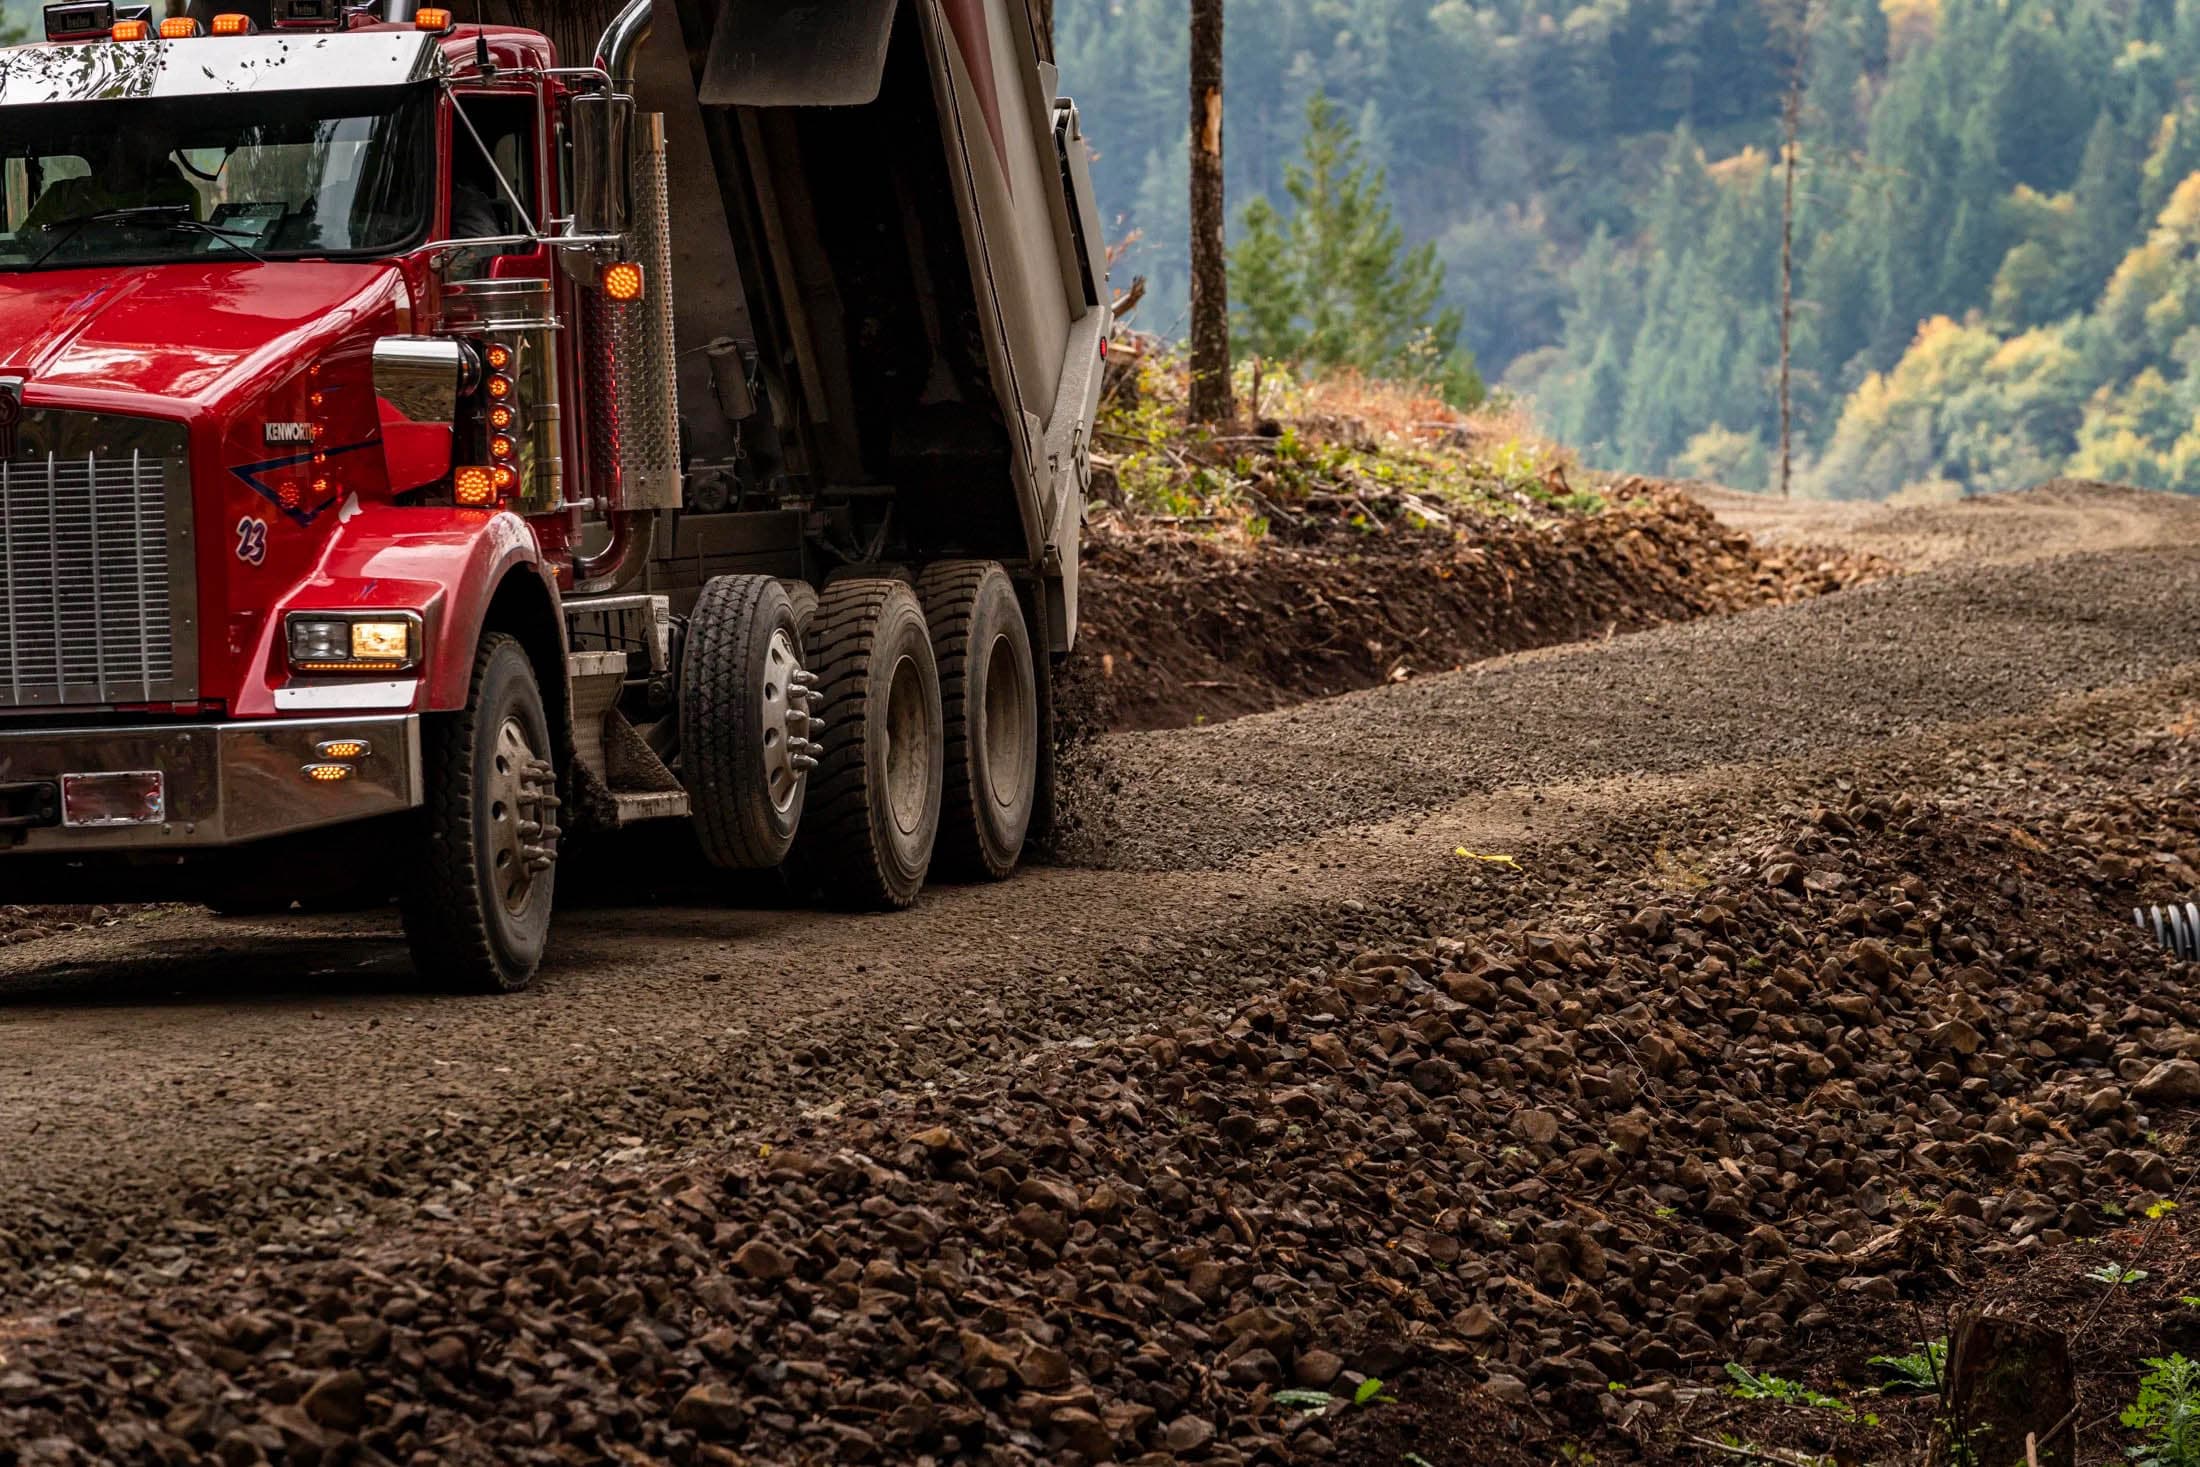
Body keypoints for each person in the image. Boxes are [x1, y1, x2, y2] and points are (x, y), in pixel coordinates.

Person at [23, 131, 198, 231]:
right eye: (128, 143)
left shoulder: (178, 195)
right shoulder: (62, 196)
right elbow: (24, 247)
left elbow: (191, 250)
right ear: (113, 147)